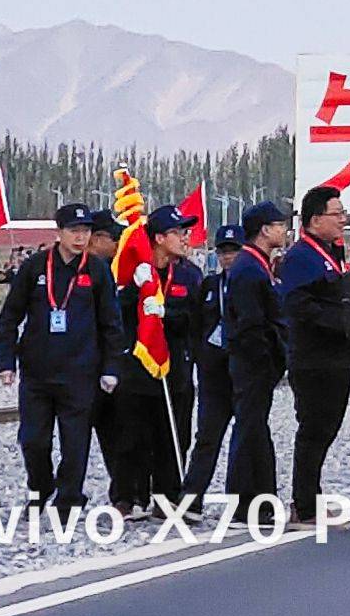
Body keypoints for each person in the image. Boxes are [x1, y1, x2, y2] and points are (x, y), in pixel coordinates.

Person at [0, 203, 123, 515]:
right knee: (33, 440)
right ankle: (41, 486)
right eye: (74, 231)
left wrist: (111, 367)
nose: (80, 238)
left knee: (75, 442)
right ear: (59, 232)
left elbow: (111, 323)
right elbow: (10, 316)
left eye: (86, 231)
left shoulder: (97, 270)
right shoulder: (35, 267)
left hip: (80, 371)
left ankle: (69, 498)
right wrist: (6, 361)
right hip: (38, 371)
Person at [106, 205, 205, 515]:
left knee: (174, 433)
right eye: (178, 233)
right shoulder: (135, 270)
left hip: (175, 365)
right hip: (136, 365)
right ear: (160, 238)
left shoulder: (189, 273)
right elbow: (115, 314)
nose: (184, 238)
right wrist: (135, 293)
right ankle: (128, 496)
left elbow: (196, 317)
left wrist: (168, 315)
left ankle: (168, 495)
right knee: (131, 436)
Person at [274, 186, 350, 527]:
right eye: (335, 214)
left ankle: (312, 498)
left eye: (342, 213)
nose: (342, 220)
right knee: (313, 430)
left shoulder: (330, 251)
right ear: (314, 220)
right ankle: (304, 505)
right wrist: (341, 322)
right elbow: (298, 306)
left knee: (327, 429)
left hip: (336, 356)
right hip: (314, 358)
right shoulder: (300, 258)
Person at [219, 202, 292, 518]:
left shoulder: (257, 264)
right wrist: (269, 357)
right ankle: (247, 501)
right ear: (264, 230)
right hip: (252, 363)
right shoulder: (249, 269)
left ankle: (256, 498)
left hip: (257, 362)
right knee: (250, 430)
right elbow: (250, 323)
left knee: (254, 428)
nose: (283, 231)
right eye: (279, 225)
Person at [184, 221, 243, 498]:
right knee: (207, 437)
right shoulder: (208, 286)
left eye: (234, 250)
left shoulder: (253, 283)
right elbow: (195, 326)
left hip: (243, 372)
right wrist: (199, 356)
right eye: (223, 251)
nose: (228, 257)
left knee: (246, 438)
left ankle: (242, 498)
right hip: (213, 375)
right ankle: (192, 498)